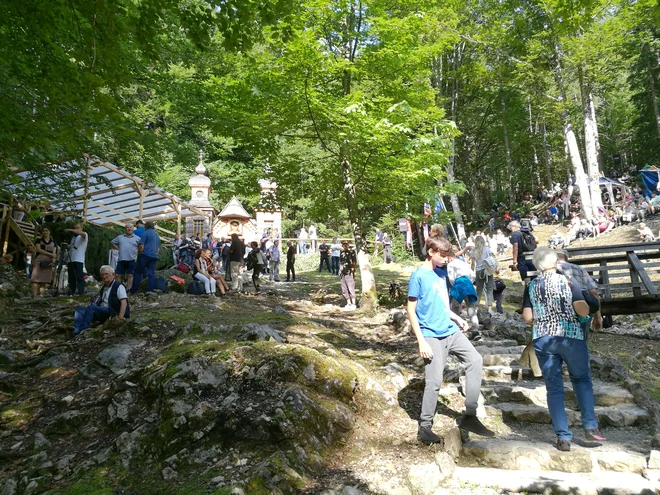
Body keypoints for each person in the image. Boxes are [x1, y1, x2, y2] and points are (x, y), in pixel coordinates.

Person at [407, 236, 494, 445]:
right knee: (434, 381)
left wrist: (456, 318)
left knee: (475, 360)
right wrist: (421, 341)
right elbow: (411, 310)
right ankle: (425, 427)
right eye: (443, 255)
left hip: (449, 330)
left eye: (448, 255)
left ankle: (470, 416)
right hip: (431, 334)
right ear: (431, 252)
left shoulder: (441, 273)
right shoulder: (418, 276)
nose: (447, 260)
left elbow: (441, 302)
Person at [522, 247, 606, 451]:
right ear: (555, 262)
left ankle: (562, 437)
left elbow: (527, 317)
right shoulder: (568, 281)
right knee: (582, 380)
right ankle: (590, 427)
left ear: (536, 264)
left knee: (554, 388)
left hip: (543, 339)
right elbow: (582, 308)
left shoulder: (531, 286)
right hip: (571, 337)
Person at [555, 249, 602, 337]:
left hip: (561, 303)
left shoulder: (551, 269)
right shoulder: (579, 269)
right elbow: (594, 293)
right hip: (583, 302)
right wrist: (598, 316)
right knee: (582, 335)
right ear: (566, 258)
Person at [74, 265, 129, 335]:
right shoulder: (104, 288)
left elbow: (124, 303)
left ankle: (82, 330)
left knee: (91, 308)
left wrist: (120, 318)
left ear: (113, 275)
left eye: (106, 274)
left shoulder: (118, 286)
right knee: (79, 309)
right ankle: (76, 331)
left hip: (113, 312)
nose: (104, 276)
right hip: (103, 311)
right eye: (102, 275)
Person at [447, 250, 479, 331]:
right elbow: (473, 275)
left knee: (455, 306)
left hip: (458, 283)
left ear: (449, 258)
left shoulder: (450, 264)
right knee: (470, 305)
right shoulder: (463, 262)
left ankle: (456, 326)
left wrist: (454, 285)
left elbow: (451, 277)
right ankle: (475, 327)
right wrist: (469, 282)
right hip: (467, 283)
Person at [131, 221, 160, 293]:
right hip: (154, 256)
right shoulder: (157, 235)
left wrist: (139, 254)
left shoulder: (145, 233)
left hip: (145, 255)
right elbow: (158, 248)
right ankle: (150, 290)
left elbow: (141, 245)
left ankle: (134, 290)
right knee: (151, 273)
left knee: (137, 272)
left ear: (146, 226)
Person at [111, 223, 141, 290]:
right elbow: (112, 242)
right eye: (127, 227)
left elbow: (141, 247)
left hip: (132, 259)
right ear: (125, 229)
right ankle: (118, 289)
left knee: (130, 275)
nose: (129, 229)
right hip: (121, 259)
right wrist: (118, 248)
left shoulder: (137, 238)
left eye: (130, 227)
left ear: (133, 229)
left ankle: (129, 289)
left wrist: (138, 253)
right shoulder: (120, 237)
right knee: (117, 275)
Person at [30, 228, 57, 297]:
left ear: (49, 232)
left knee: (44, 280)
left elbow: (54, 253)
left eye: (46, 231)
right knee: (35, 280)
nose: (45, 232)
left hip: (48, 262)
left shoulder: (53, 242)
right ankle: (34, 296)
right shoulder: (38, 240)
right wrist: (51, 254)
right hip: (39, 260)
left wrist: (53, 263)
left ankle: (41, 296)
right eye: (43, 231)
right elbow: (39, 250)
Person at [472, 235, 495, 314]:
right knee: (489, 289)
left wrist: (472, 272)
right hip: (487, 271)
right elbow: (492, 260)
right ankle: (489, 308)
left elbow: (472, 264)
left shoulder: (473, 251)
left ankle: (476, 308)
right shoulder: (487, 249)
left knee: (478, 290)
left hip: (478, 271)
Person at [66, 223, 88, 296]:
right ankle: (71, 292)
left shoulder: (84, 235)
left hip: (79, 259)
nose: (75, 229)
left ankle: (81, 292)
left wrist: (70, 230)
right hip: (71, 259)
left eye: (77, 228)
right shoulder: (73, 238)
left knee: (79, 276)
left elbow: (82, 234)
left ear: (81, 228)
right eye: (74, 228)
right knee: (71, 277)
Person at [339, 240, 357, 310]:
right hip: (342, 272)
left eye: (346, 244)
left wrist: (353, 269)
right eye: (344, 244)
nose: (345, 246)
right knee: (344, 288)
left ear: (348, 245)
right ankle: (348, 302)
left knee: (351, 287)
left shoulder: (351, 252)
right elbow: (340, 262)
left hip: (349, 271)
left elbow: (354, 261)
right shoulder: (342, 253)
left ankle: (353, 303)